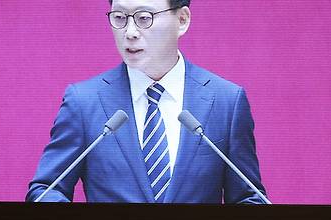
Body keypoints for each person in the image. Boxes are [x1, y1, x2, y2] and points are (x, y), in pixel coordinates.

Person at [26, 0, 266, 204]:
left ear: (182, 19)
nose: (130, 32)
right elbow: (46, 190)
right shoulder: (84, 102)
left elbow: (249, 199)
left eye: (144, 17)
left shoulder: (226, 101)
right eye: (119, 17)